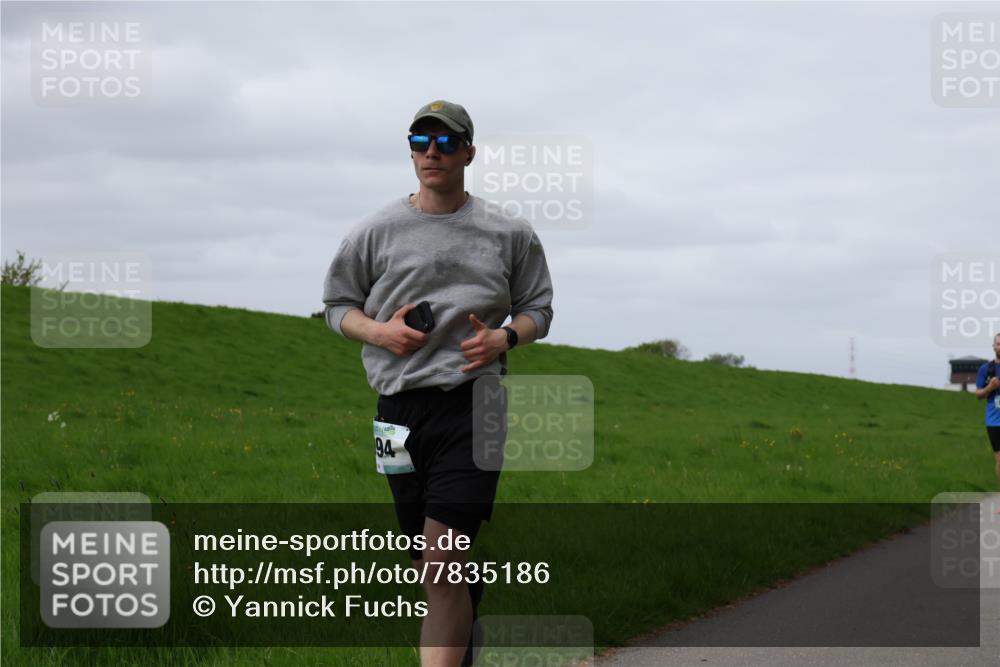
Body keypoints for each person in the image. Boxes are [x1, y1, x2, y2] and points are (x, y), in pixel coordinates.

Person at [322, 99, 555, 667]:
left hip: (478, 406)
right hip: (398, 413)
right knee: (438, 566)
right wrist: (379, 333)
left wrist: (506, 339)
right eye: (421, 141)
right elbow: (336, 306)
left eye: (447, 142)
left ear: (468, 152)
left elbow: (539, 309)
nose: (433, 152)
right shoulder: (373, 232)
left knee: (440, 558)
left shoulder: (509, 232)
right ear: (410, 150)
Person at [975, 332, 1000, 487]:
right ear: (993, 346)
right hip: (994, 420)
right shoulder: (985, 369)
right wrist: (990, 387)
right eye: (998, 344)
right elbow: (978, 394)